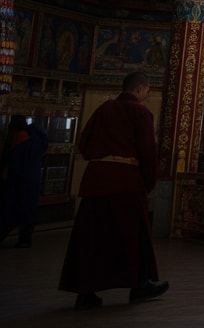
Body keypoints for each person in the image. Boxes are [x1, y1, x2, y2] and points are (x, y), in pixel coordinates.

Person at [58, 71, 169, 309]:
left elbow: (84, 145)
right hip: (126, 183)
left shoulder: (103, 109)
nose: (147, 96)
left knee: (92, 238)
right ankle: (139, 285)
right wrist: (149, 182)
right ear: (141, 88)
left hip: (96, 182)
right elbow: (149, 153)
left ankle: (85, 291)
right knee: (132, 237)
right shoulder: (141, 113)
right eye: (148, 91)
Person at [1, 114, 48, 247]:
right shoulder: (37, 139)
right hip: (32, 181)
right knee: (27, 211)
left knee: (10, 211)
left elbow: (11, 163)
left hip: (17, 181)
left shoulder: (18, 139)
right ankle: (25, 240)